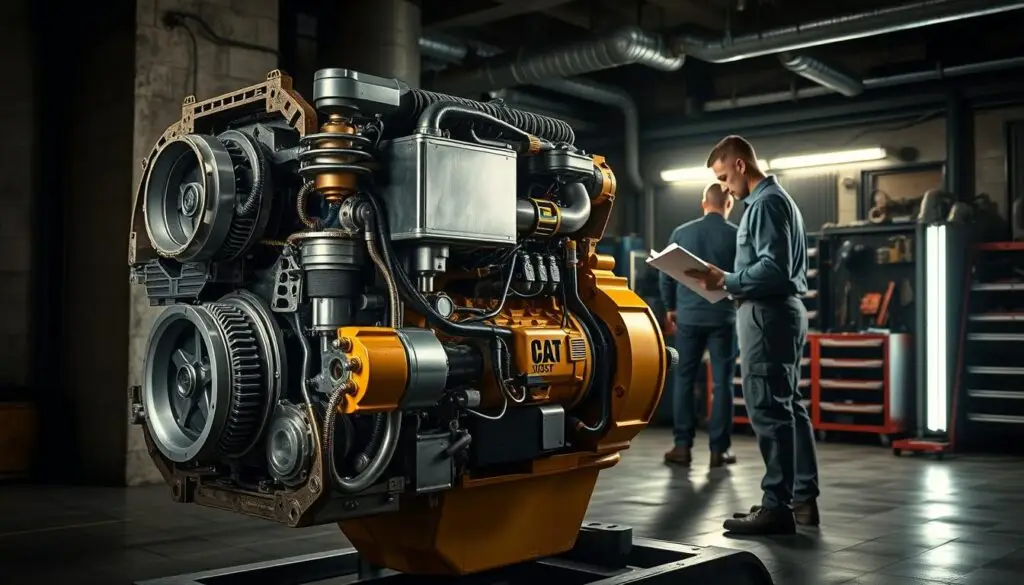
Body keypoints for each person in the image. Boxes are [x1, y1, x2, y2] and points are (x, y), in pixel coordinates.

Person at [685, 135, 820, 536]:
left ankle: (777, 505)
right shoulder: (780, 202)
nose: (725, 188)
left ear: (740, 165)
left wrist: (725, 279)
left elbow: (772, 270)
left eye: (725, 177)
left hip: (767, 314)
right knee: (789, 408)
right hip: (779, 313)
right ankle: (801, 499)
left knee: (769, 410)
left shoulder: (763, 205)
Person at [659, 183, 739, 469]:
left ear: (703, 203)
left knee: (683, 381)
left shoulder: (682, 232)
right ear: (728, 205)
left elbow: (666, 274)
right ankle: (719, 451)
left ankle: (682, 447)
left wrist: (670, 307)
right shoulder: (736, 234)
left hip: (688, 318)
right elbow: (743, 276)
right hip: (723, 319)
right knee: (722, 384)